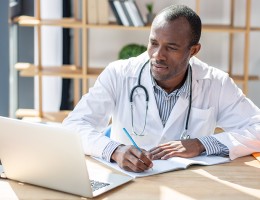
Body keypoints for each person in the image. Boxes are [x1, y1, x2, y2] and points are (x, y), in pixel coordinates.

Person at [62, 4, 260, 172]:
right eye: (153, 43)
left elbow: (257, 127)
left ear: (194, 51)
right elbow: (73, 126)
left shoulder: (216, 82)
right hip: (127, 180)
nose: (158, 55)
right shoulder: (119, 74)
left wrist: (202, 144)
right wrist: (114, 150)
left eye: (171, 47)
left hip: (190, 183)